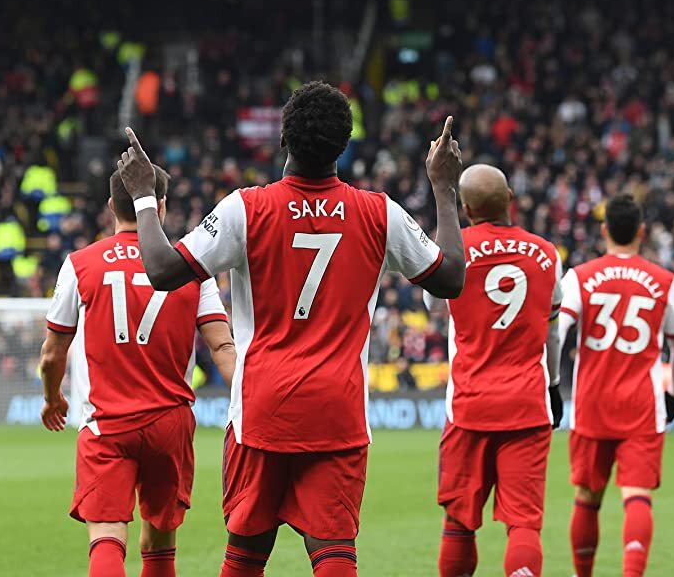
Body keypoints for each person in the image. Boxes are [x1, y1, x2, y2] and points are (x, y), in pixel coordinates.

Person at [116, 80, 466, 576]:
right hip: (337, 414)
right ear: (345, 146)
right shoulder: (378, 213)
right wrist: (445, 188)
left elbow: (161, 271)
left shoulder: (246, 209)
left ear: (283, 139)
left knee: (244, 557)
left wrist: (144, 197)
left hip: (262, 411)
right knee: (335, 557)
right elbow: (451, 278)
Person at [38, 166, 236, 577]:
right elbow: (221, 346)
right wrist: (250, 399)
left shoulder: (80, 264)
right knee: (160, 543)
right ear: (160, 207)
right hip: (170, 424)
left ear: (111, 205)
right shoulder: (191, 268)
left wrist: (52, 396)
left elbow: (52, 353)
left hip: (107, 424)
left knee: (107, 537)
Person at [429, 164, 564, 577]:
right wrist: (554, 385)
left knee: (459, 522)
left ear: (466, 209)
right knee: (523, 522)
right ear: (511, 200)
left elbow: (436, 307)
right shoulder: (547, 253)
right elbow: (552, 334)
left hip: (469, 404)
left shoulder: (454, 253)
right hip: (527, 403)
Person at [556, 194, 674, 577]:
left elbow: (556, 332)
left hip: (591, 403)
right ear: (642, 232)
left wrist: (551, 382)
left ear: (604, 231)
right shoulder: (664, 281)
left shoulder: (579, 277)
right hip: (642, 406)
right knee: (637, 496)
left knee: (587, 497)